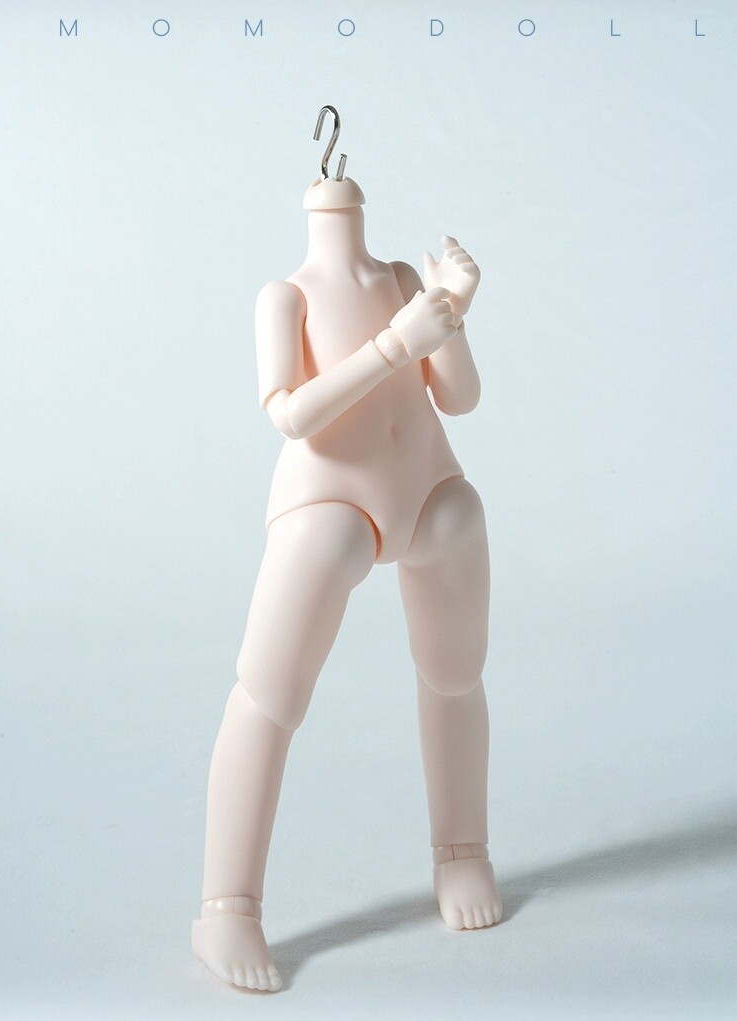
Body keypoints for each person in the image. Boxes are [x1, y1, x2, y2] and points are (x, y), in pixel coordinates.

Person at [192, 175, 502, 992]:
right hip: (331, 500)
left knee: (456, 671)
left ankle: (462, 850)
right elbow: (292, 415)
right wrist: (397, 343)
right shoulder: (285, 296)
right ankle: (225, 906)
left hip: (428, 487)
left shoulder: (400, 277)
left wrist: (450, 310)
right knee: (268, 692)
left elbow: (461, 397)